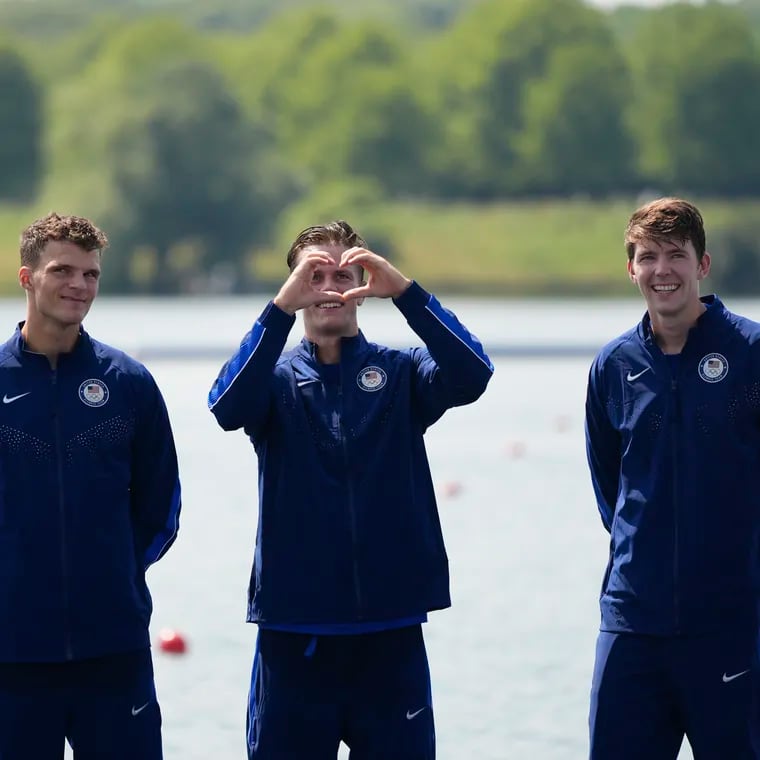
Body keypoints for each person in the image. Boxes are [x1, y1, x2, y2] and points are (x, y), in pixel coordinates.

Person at [208, 219, 493, 759]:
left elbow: (472, 373)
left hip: (391, 634)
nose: (330, 287)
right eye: (314, 275)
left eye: (344, 273)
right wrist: (277, 312)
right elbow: (225, 408)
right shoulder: (271, 378)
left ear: (363, 283)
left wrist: (408, 295)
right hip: (295, 635)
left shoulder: (401, 372)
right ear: (295, 286)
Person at [0, 212, 182, 759]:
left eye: (91, 274)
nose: (80, 285)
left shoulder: (129, 383)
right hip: (11, 652)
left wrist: (115, 575)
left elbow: (161, 505)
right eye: (63, 270)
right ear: (27, 277)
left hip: (113, 647)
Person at [584, 197, 760, 759]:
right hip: (634, 623)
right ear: (630, 268)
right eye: (648, 257)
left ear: (702, 265)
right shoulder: (613, 365)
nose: (663, 271)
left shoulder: (751, 353)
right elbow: (611, 487)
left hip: (732, 623)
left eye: (676, 255)